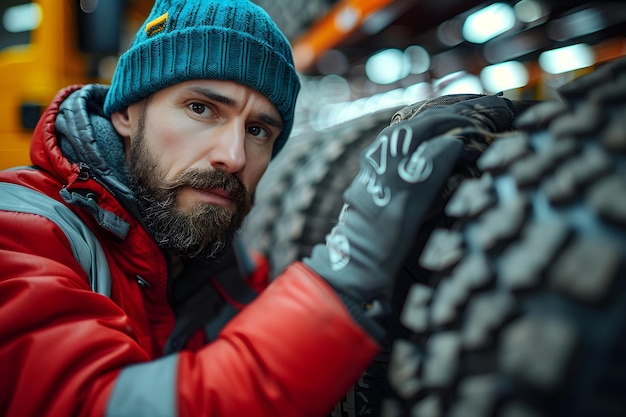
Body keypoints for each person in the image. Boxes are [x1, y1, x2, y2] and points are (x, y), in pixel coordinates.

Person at [0, 0, 518, 416]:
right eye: (202, 108)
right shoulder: (21, 231)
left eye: (259, 130)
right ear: (128, 113)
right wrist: (349, 265)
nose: (233, 156)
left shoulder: (228, 265)